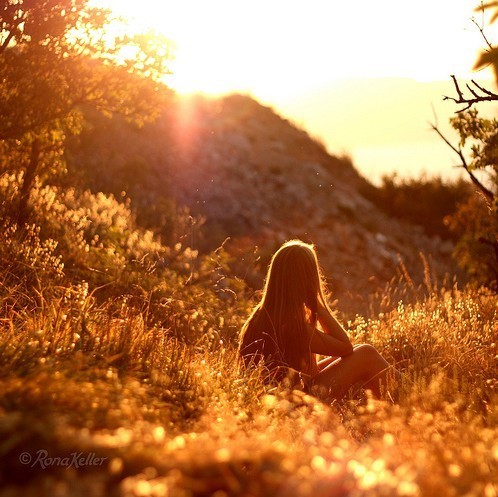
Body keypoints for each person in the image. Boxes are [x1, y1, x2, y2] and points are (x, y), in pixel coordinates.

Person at [238, 239, 393, 400]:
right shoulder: (291, 326)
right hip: (296, 405)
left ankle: (393, 405)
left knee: (360, 349)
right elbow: (345, 347)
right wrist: (316, 304)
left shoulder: (260, 317)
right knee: (366, 354)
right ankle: (411, 397)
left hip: (282, 399)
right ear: (306, 281)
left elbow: (310, 372)